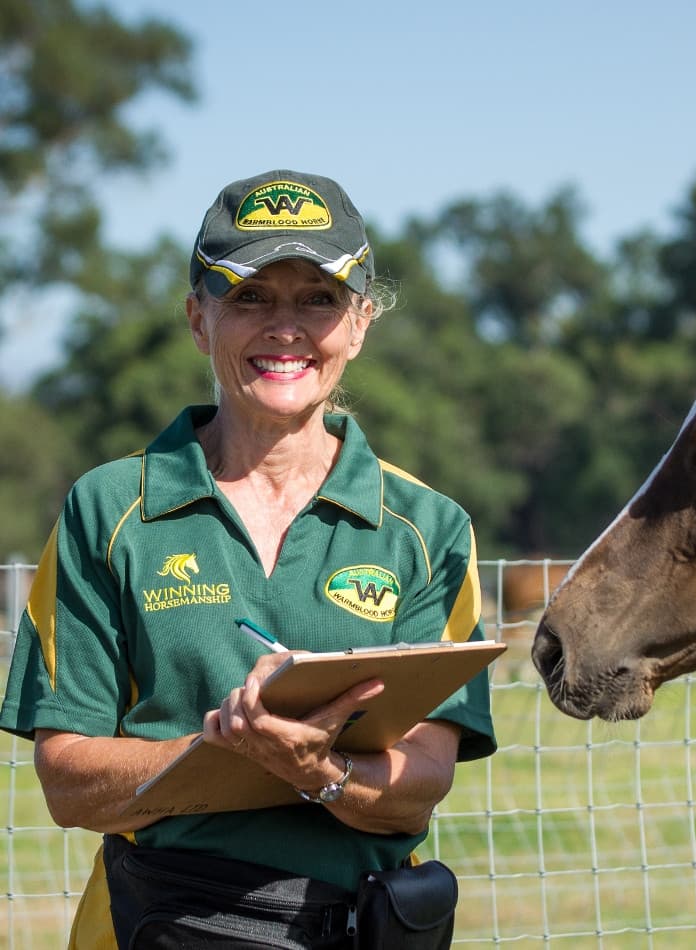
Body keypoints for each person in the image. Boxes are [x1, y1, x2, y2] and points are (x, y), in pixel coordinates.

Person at [0, 169, 497, 948]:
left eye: (318, 298)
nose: (285, 328)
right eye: (251, 296)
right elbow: (68, 785)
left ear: (360, 323)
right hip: (154, 926)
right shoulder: (108, 510)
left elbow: (420, 786)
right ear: (199, 319)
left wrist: (317, 770)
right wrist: (226, 750)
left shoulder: (427, 529)